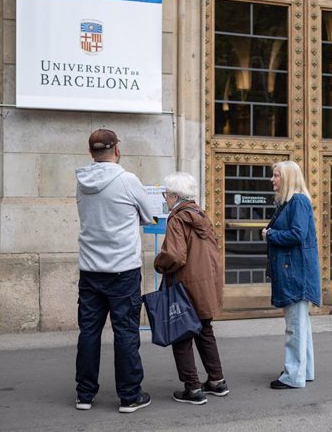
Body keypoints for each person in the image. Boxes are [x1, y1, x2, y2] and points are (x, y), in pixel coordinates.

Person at [75, 129, 154, 413]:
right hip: (123, 270)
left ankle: (84, 394)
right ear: (117, 150)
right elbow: (148, 215)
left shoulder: (81, 181)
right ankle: (129, 396)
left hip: (90, 269)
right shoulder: (127, 180)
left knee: (88, 333)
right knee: (125, 332)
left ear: (91, 152)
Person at [154, 172, 228, 405]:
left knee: (181, 335)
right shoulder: (200, 214)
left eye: (166, 194)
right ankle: (217, 381)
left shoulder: (177, 219)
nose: (165, 198)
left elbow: (174, 255)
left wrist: (159, 262)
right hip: (204, 284)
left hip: (185, 286)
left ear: (175, 195)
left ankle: (193, 389)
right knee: (205, 331)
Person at [261, 160, 321, 389]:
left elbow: (297, 234)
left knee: (294, 327)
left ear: (287, 178)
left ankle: (293, 375)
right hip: (295, 272)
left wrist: (271, 234)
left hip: (295, 274)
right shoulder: (294, 201)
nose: (272, 180)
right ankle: (304, 371)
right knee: (300, 325)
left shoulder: (297, 201)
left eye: (276, 175)